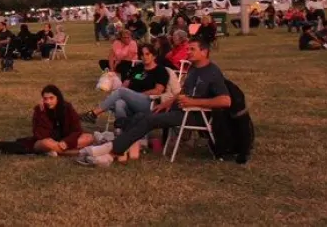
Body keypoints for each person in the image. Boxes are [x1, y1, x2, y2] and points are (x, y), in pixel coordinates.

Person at [78, 39, 231, 166]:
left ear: (204, 52)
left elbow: (226, 101)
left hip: (193, 114)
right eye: (188, 49)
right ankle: (116, 150)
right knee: (138, 118)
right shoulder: (193, 69)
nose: (188, 52)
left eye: (192, 49)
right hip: (177, 108)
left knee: (149, 119)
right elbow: (183, 92)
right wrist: (166, 103)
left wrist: (194, 102)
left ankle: (110, 150)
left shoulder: (212, 72)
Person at [82, 45, 169, 126]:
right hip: (130, 99)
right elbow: (126, 83)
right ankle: (123, 131)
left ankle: (94, 113)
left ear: (154, 56)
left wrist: (136, 95)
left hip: (147, 101)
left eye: (147, 54)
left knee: (121, 92)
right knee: (119, 103)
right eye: (142, 54)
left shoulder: (160, 70)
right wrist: (123, 96)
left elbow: (158, 90)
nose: (144, 57)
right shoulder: (138, 67)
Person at [0, 85, 93, 156]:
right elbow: (40, 135)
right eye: (45, 99)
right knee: (46, 143)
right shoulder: (39, 110)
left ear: (58, 98)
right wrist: (42, 114)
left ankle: (53, 152)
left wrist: (66, 142)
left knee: (88, 137)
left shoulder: (67, 108)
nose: (48, 101)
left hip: (64, 139)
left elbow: (77, 130)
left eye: (51, 98)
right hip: (46, 141)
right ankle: (79, 153)